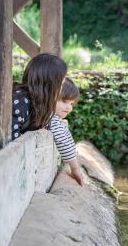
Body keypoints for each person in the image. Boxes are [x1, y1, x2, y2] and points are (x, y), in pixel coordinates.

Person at [12, 54, 84, 186]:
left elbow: (62, 134)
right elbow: (10, 141)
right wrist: (75, 168)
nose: (61, 89)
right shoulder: (21, 100)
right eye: (60, 84)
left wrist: (75, 167)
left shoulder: (41, 107)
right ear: (49, 84)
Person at [50, 78, 84, 186]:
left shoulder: (56, 119)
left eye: (72, 103)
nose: (69, 107)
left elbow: (66, 136)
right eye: (64, 101)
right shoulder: (50, 118)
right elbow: (62, 140)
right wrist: (74, 168)